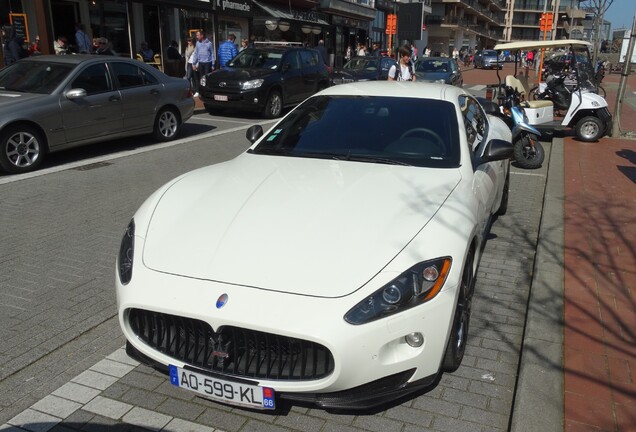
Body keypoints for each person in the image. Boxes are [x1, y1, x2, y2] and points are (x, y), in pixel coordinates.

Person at [191, 30, 215, 97]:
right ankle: (201, 92)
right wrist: (194, 63)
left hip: (208, 63)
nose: (197, 37)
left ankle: (208, 91)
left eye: (198, 35)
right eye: (196, 35)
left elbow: (212, 54)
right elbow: (196, 53)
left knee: (206, 78)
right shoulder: (197, 43)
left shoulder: (209, 43)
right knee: (201, 78)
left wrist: (213, 64)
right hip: (201, 63)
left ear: (202, 35)